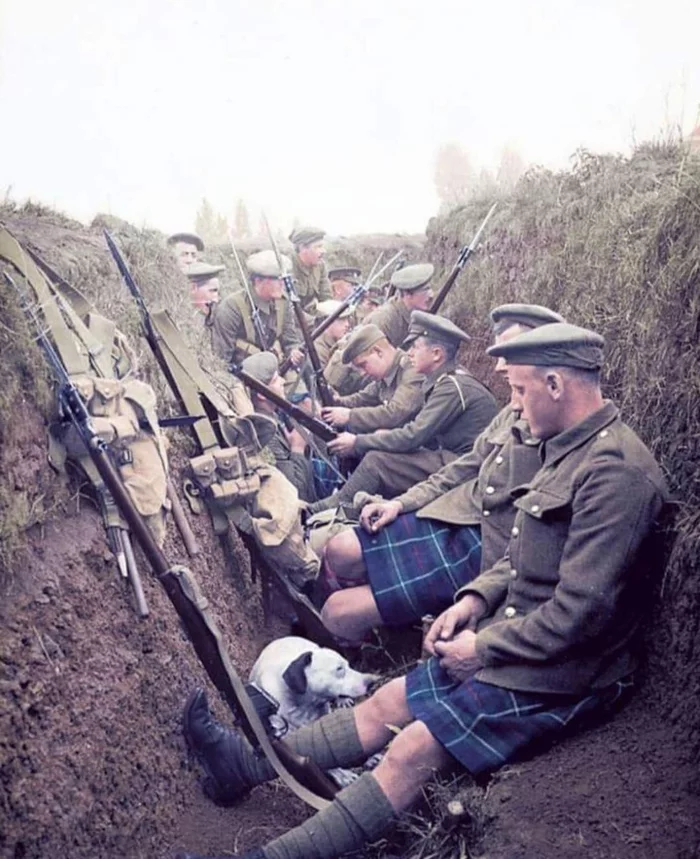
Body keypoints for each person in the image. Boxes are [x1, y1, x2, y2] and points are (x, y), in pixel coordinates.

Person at [178, 321, 669, 859]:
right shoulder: (568, 445)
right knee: (388, 699)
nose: (517, 408)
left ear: (556, 385)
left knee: (411, 749)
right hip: (523, 636)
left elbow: (582, 613)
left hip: (569, 670)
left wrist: (481, 648)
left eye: (522, 391)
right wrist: (474, 599)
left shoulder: (614, 474)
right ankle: (240, 767)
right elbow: (523, 549)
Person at [321, 303, 564, 641]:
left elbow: (416, 436)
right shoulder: (510, 410)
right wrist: (401, 504)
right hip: (454, 511)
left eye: (510, 358)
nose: (498, 367)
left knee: (338, 611)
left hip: (480, 545)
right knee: (339, 550)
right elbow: (467, 466)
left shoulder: (561, 437)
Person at [311, 312, 498, 514]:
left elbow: (413, 435)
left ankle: (332, 508)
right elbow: (370, 401)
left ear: (436, 354)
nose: (409, 353)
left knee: (378, 460)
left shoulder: (451, 386)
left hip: (466, 466)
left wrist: (358, 442)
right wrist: (337, 404)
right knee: (381, 448)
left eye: (415, 347)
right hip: (455, 457)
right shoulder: (444, 380)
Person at [239, 352, 317, 502]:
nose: (282, 381)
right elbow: (296, 493)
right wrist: (297, 449)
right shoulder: (266, 437)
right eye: (276, 380)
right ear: (262, 395)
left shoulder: (274, 413)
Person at [211, 250, 304, 370]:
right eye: (277, 279)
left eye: (284, 279)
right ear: (258, 281)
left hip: (278, 368)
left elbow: (290, 339)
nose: (283, 284)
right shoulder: (231, 308)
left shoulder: (283, 302)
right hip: (246, 375)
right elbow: (222, 360)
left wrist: (293, 351)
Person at [323, 324, 424, 434]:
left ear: (378, 351)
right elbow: (362, 399)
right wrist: (336, 400)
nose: (362, 373)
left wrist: (349, 416)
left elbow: (397, 412)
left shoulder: (411, 369)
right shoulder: (385, 375)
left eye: (363, 365)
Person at [363, 263, 434, 347]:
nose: (431, 295)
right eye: (425, 291)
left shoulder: (419, 316)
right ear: (407, 294)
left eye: (430, 288)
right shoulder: (384, 319)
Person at [289, 226, 332, 316]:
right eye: (318, 247)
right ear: (303, 248)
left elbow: (326, 297)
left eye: (322, 246)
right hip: (295, 320)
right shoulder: (289, 268)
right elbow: (287, 309)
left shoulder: (320, 266)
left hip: (314, 317)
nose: (323, 251)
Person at [314, 300, 354, 366]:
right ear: (326, 322)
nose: (347, 324)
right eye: (342, 319)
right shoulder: (317, 350)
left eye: (347, 319)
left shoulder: (338, 342)